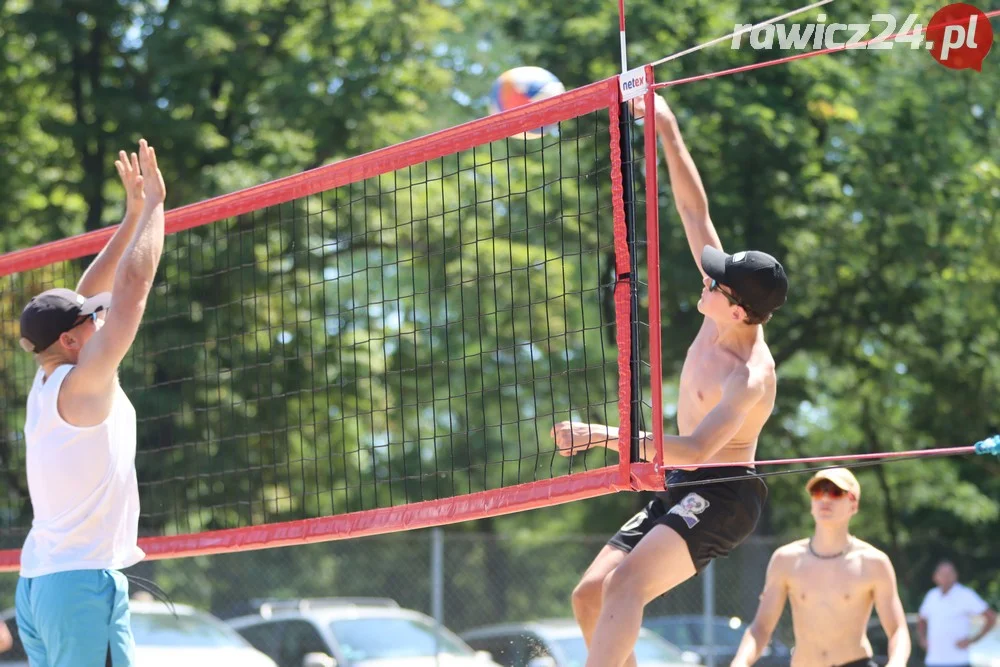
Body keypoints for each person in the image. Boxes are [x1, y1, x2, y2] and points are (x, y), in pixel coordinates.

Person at [551, 92, 789, 667]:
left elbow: (697, 448)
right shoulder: (723, 313)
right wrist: (666, 124)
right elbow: (691, 209)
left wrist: (602, 434)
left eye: (716, 284)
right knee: (589, 596)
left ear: (736, 310)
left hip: (724, 494)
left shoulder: (751, 377)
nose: (705, 281)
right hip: (682, 484)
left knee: (627, 585)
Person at [14, 139, 166, 667]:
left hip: (40, 582)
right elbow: (133, 286)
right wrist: (156, 207)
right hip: (79, 587)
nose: (100, 319)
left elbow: (91, 291)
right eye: (90, 321)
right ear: (74, 341)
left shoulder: (53, 378)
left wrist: (129, 217)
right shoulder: (86, 382)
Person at [730, 468, 911, 667]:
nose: (825, 498)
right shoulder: (785, 559)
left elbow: (897, 630)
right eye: (817, 492)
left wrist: (897, 662)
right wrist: (740, 662)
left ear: (854, 504)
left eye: (835, 492)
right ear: (811, 504)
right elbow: (761, 628)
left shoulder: (874, 562)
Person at [918, 559, 997, 667]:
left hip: (959, 661)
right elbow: (922, 619)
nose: (946, 577)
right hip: (933, 661)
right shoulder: (931, 595)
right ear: (935, 577)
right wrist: (922, 639)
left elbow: (991, 617)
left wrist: (973, 640)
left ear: (955, 575)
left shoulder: (966, 595)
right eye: (942, 574)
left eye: (949, 574)